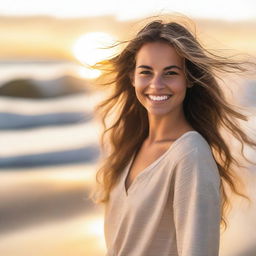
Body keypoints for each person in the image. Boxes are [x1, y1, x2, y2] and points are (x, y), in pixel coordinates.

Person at [89, 16, 256, 256]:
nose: (156, 84)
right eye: (146, 72)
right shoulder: (130, 147)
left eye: (170, 73)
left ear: (188, 79)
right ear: (132, 77)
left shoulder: (190, 154)